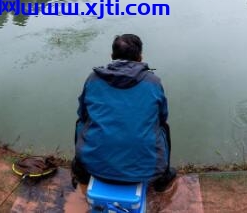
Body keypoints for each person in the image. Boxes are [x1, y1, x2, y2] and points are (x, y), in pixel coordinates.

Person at [72, 34, 176, 192]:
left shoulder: (93, 79)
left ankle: (81, 172)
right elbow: (162, 116)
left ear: (112, 56)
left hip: (93, 166)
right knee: (163, 127)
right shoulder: (153, 82)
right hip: (147, 171)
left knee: (81, 123)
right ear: (140, 57)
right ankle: (163, 177)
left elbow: (83, 114)